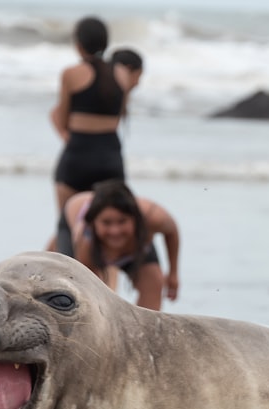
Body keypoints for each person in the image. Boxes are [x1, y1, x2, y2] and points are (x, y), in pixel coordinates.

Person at [49, 17, 136, 212]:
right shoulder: (122, 73)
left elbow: (62, 119)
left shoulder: (71, 73)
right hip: (110, 157)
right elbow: (121, 114)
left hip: (77, 155)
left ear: (78, 44)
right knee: (110, 226)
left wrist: (68, 139)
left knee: (68, 226)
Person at [53, 179, 180, 311]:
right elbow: (89, 293)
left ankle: (145, 330)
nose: (115, 231)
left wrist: (173, 273)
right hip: (75, 224)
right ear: (94, 224)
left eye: (122, 221)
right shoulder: (85, 239)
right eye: (107, 223)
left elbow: (172, 231)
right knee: (84, 296)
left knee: (154, 282)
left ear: (136, 219)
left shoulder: (152, 216)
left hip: (134, 243)